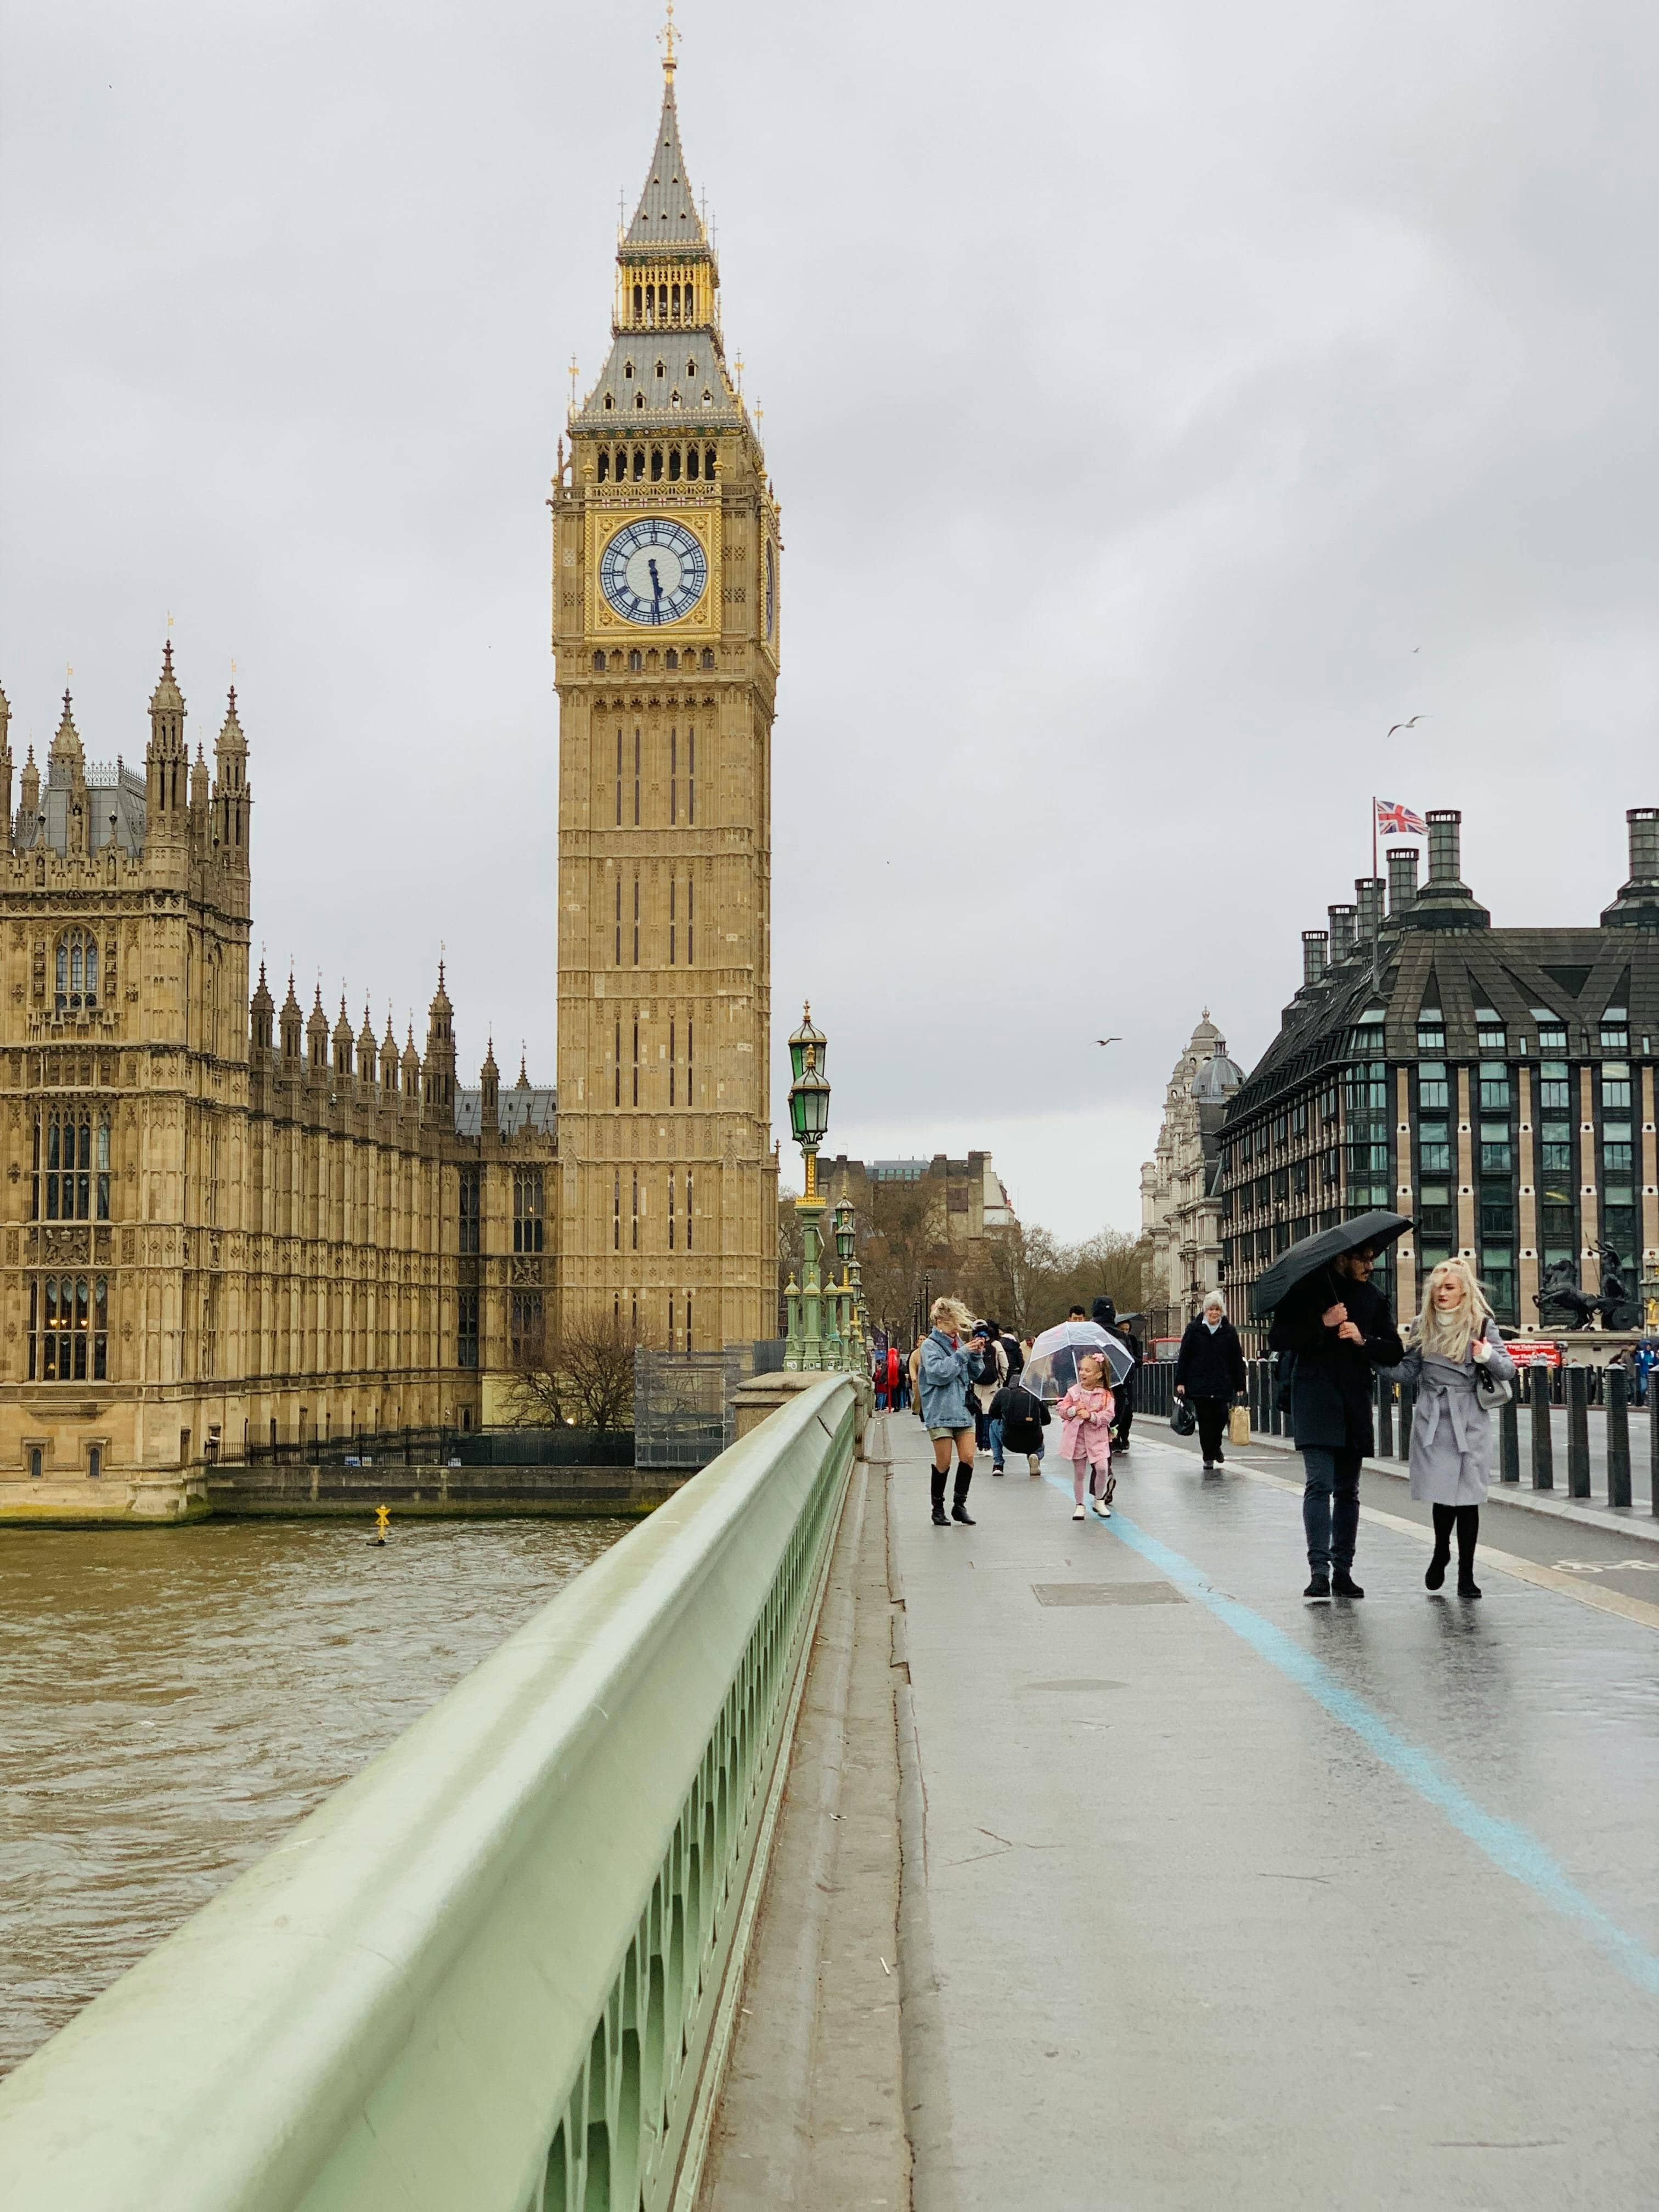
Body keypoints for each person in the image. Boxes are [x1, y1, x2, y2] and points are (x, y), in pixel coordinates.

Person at [1266, 1242, 1403, 1600]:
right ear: (1343, 1258)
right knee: (1319, 1485)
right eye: (1364, 1259)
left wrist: (1364, 1338)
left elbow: (1394, 1348)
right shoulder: (1307, 1291)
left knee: (1348, 1491)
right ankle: (1319, 1572)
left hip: (1353, 1400)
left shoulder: (1373, 1297)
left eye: (1374, 1260)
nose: (1370, 1266)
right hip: (1314, 1397)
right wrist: (1323, 1323)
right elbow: (1279, 1337)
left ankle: (1343, 1571)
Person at [1384, 1259, 1515, 1598]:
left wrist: (1487, 1356)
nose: (1442, 1294)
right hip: (1433, 1417)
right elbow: (1408, 1373)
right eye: (1438, 1288)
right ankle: (1441, 1549)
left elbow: (1509, 1372)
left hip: (1469, 1417)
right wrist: (1370, 1356)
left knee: (1468, 1499)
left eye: (1450, 1287)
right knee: (1443, 1497)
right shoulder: (1421, 1325)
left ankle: (1466, 1575)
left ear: (1464, 1291)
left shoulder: (1481, 1325)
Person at [917, 1296, 984, 1527]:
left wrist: (976, 1355)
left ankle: (959, 1505)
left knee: (968, 1457)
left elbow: (975, 1374)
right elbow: (939, 1374)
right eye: (952, 1323)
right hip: (940, 1410)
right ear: (940, 1322)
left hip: (963, 1410)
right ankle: (938, 1508)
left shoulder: (959, 1345)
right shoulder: (930, 1346)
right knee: (943, 1461)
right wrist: (964, 1353)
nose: (957, 1328)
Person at [1173, 1291, 1248, 1470]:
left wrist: (1240, 1385)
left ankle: (1216, 1447)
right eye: (1211, 1310)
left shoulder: (1229, 1332)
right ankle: (1208, 1455)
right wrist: (1181, 1382)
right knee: (1205, 1421)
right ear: (1205, 1311)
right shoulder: (1194, 1330)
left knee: (1221, 1417)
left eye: (1217, 1310)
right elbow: (1184, 1357)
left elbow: (1237, 1359)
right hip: (1200, 1383)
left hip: (1222, 1382)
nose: (1214, 1313)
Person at [1057, 1352, 1116, 1520]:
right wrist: (1074, 1410)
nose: (1083, 1373)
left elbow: (1109, 1415)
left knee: (1103, 1468)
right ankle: (1079, 1505)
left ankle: (1099, 1500)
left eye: (1088, 1371)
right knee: (1080, 1473)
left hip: (1098, 1438)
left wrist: (1091, 1416)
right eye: (1081, 1369)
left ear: (1098, 1375)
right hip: (1078, 1438)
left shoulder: (1105, 1395)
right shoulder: (1074, 1392)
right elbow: (1061, 1409)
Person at [1093, 1297, 1142, 1452]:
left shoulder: (1089, 1333)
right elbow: (1129, 1361)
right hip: (1119, 1381)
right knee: (1119, 1409)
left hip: (1097, 1381)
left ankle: (1097, 1438)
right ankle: (1114, 1435)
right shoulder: (1120, 1336)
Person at [989, 1373, 1048, 1475]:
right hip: (1033, 1442)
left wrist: (1005, 1416)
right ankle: (1036, 1455)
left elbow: (993, 1413)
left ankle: (998, 1464)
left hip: (1009, 1440)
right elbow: (1047, 1420)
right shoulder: (1035, 1394)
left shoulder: (1004, 1393)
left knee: (993, 1425)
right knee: (1038, 1428)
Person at [968, 1322, 1007, 1451]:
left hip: (977, 1384)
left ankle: (980, 1443)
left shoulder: (971, 1346)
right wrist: (1002, 1379)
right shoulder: (995, 1346)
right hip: (993, 1384)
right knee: (990, 1413)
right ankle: (989, 1445)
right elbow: (1004, 1364)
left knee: (979, 1413)